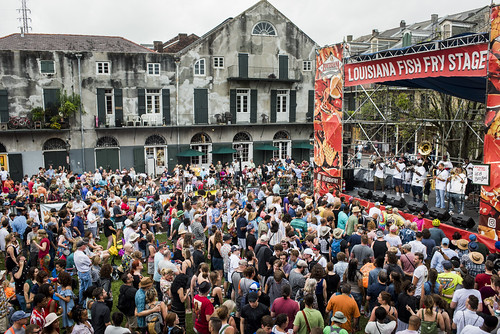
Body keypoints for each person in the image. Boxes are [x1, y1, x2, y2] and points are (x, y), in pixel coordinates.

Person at [74, 239, 92, 305]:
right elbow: (90, 263)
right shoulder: (83, 256)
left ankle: (81, 302)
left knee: (81, 288)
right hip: (85, 273)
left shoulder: (75, 253)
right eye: (85, 245)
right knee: (87, 289)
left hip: (80, 272)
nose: (86, 246)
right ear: (82, 246)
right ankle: (86, 304)